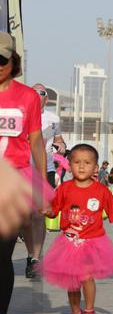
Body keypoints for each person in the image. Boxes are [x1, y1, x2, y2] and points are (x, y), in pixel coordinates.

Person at [38, 143, 113, 314]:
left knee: (86, 276)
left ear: (95, 168)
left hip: (92, 242)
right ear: (69, 166)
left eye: (87, 162)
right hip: (68, 242)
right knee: (72, 283)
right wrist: (47, 211)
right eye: (77, 162)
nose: (81, 166)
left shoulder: (101, 190)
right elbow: (54, 211)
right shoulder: (64, 188)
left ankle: (89, 311)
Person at [0, 33, 50, 314]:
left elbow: (36, 143)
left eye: (1, 61)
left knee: (2, 253)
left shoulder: (27, 97)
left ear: (13, 62)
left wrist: (42, 185)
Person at [21, 84, 67, 279]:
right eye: (32, 92)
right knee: (24, 217)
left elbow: (59, 140)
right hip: (21, 169)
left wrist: (61, 146)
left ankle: (35, 259)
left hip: (45, 170)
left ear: (46, 99)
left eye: (40, 93)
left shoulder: (53, 119)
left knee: (39, 215)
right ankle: (30, 253)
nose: (36, 95)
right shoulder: (19, 114)